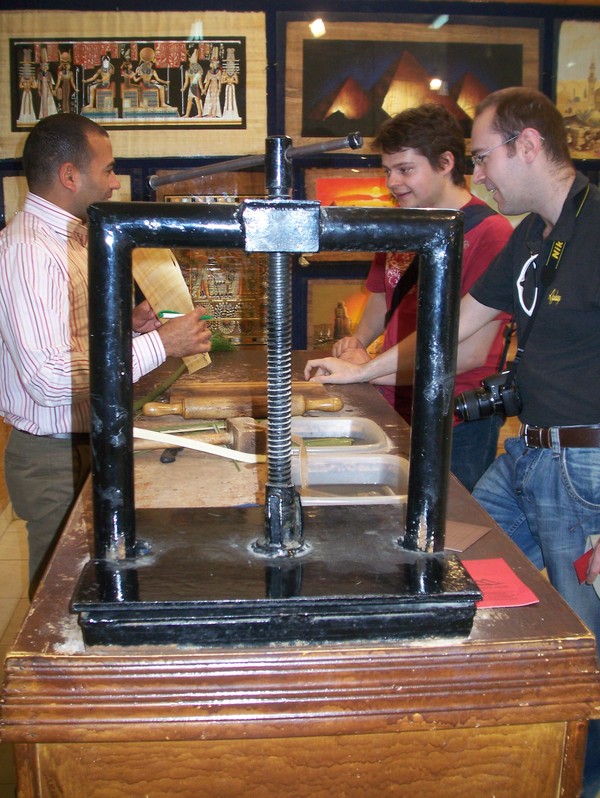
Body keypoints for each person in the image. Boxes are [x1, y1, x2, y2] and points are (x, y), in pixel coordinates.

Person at [0, 113, 212, 595]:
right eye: (109, 169)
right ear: (69, 175)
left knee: (93, 581)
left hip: (82, 440)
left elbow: (70, 340)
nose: (116, 182)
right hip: (54, 454)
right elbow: (48, 378)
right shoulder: (30, 250)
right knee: (61, 594)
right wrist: (162, 344)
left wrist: (128, 329)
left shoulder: (67, 238)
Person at [457, 87, 600, 797]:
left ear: (530, 145)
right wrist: (365, 369)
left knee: (583, 646)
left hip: (585, 465)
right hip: (532, 455)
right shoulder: (536, 232)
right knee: (460, 554)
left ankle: (577, 777)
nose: (479, 175)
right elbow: (459, 325)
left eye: (484, 157)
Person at [304, 104, 514, 491]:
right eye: (387, 170)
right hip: (392, 399)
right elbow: (382, 295)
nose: (392, 182)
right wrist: (357, 343)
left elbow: (471, 352)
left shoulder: (491, 234)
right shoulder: (403, 220)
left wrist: (366, 370)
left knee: (452, 519)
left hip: (455, 417)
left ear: (445, 162)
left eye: (405, 169)